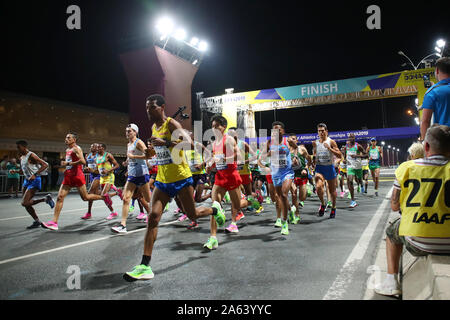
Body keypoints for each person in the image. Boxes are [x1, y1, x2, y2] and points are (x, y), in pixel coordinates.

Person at [123, 94, 226, 281]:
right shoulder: (154, 127)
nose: (148, 110)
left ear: (162, 107)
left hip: (181, 178)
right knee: (153, 217)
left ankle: (214, 209)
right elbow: (156, 153)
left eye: (152, 107)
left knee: (192, 214)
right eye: (146, 107)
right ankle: (145, 266)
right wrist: (150, 151)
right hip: (163, 180)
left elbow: (187, 144)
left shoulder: (172, 124)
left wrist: (167, 142)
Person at [375, 124, 450, 297]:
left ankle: (391, 282)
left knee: (392, 231)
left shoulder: (407, 168)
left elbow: (394, 206)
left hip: (420, 242)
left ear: (426, 147)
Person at [41, 132, 108, 231]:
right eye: (66, 137)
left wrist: (68, 163)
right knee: (60, 197)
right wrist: (64, 165)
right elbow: (69, 163)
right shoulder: (67, 149)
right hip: (68, 176)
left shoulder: (77, 148)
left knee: (85, 197)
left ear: (74, 140)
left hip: (77, 176)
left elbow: (83, 161)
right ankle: (54, 223)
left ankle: (103, 197)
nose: (66, 139)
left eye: (68, 138)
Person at [111, 124, 151, 234]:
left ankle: (154, 214)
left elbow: (149, 155)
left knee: (148, 199)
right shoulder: (128, 144)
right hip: (132, 176)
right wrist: (127, 162)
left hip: (142, 174)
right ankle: (123, 225)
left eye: (130, 131)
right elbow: (130, 157)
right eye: (126, 131)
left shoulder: (139, 142)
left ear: (135, 132)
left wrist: (134, 157)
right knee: (126, 198)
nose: (127, 133)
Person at [265, 121, 295, 234]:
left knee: (283, 194)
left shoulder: (288, 141)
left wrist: (294, 157)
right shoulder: (269, 142)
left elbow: (296, 149)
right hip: (275, 173)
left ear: (283, 131)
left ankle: (284, 223)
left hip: (287, 172)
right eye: (273, 130)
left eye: (278, 129)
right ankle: (291, 211)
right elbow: (264, 155)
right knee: (280, 197)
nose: (275, 131)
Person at [16, 140, 55, 229]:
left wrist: (35, 174)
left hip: (35, 180)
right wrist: (16, 171)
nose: (17, 149)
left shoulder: (31, 155)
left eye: (19, 147)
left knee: (24, 203)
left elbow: (45, 165)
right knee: (27, 204)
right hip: (27, 180)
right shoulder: (22, 157)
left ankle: (45, 199)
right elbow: (24, 170)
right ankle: (37, 221)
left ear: (24, 147)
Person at [312, 123, 342, 218]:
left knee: (332, 190)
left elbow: (339, 155)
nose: (321, 132)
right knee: (318, 187)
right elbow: (315, 154)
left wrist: (329, 149)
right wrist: (313, 160)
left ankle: (333, 207)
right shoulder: (315, 143)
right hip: (319, 168)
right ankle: (323, 204)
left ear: (326, 131)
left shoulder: (331, 142)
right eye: (319, 131)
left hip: (329, 167)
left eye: (322, 131)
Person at [420, 57, 450, 140]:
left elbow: (425, 121)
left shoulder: (432, 92)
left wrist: (425, 142)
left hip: (444, 142)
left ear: (437, 71)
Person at [287, 133, 311, 223]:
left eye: (293, 139)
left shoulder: (302, 149)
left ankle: (307, 189)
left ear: (296, 140)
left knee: (302, 197)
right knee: (294, 194)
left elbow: (309, 160)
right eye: (290, 139)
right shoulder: (286, 151)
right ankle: (296, 214)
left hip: (302, 174)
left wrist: (305, 168)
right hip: (291, 175)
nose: (292, 141)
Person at [96, 143, 122, 220]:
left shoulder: (108, 155)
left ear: (103, 148)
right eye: (97, 147)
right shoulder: (96, 157)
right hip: (102, 178)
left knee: (104, 194)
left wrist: (108, 170)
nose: (97, 149)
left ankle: (117, 193)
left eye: (99, 147)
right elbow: (98, 169)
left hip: (109, 177)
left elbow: (117, 165)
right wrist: (89, 169)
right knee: (103, 196)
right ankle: (113, 212)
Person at [344, 133, 367, 208]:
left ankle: (361, 185)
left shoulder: (358, 146)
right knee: (350, 180)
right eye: (349, 137)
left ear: (354, 138)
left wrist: (357, 156)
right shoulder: (346, 147)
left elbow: (366, 155)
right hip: (350, 166)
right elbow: (345, 155)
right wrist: (344, 160)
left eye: (352, 137)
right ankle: (353, 201)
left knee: (359, 179)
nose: (351, 139)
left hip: (358, 166)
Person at [81, 143, 101, 220]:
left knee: (90, 194)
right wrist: (86, 168)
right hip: (92, 175)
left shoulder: (99, 156)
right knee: (97, 193)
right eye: (91, 146)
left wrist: (91, 169)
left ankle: (89, 213)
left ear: (97, 148)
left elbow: (99, 170)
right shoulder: (89, 155)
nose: (91, 147)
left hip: (98, 175)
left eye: (93, 146)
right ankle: (110, 196)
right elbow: (87, 164)